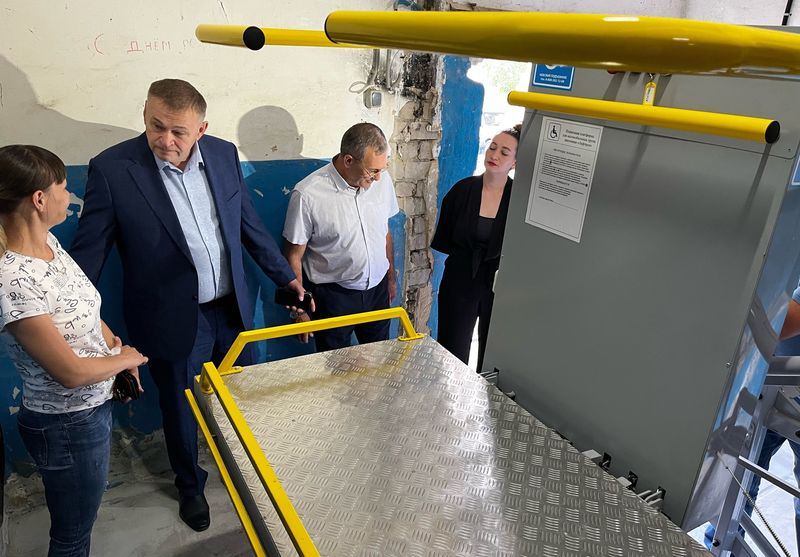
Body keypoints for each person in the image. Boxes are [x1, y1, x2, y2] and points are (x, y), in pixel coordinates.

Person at [69, 79, 305, 532]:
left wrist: (286, 277)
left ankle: (249, 472)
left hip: (231, 308)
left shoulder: (222, 154)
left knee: (240, 396)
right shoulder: (114, 169)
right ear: (145, 114)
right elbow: (88, 255)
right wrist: (76, 318)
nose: (165, 140)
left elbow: (248, 226)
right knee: (180, 407)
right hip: (170, 316)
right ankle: (190, 486)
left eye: (178, 131)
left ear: (201, 129)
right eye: (156, 125)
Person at [0, 145, 148, 556]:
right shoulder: (12, 279)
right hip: (66, 423)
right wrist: (129, 358)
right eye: (63, 187)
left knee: (82, 519)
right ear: (39, 199)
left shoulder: (49, 244)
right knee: (72, 535)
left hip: (90, 408)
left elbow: (86, 308)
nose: (70, 195)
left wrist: (116, 351)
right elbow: (70, 373)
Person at [283, 123, 399, 351]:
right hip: (333, 298)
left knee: (380, 360)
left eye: (381, 169)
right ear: (348, 161)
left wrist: (390, 278)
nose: (378, 178)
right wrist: (300, 308)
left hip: (377, 293)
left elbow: (383, 231)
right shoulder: (308, 194)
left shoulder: (382, 181)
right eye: (372, 171)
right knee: (334, 366)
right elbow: (293, 255)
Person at [704, 284, 800, 550]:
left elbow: (782, 324)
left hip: (787, 389)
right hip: (770, 383)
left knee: (739, 482)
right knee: (737, 483)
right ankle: (720, 549)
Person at [431, 124, 520, 371]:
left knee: (494, 354)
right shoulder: (462, 191)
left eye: (504, 152)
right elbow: (445, 239)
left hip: (500, 284)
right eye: (492, 147)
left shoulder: (519, 198)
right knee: (451, 351)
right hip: (459, 280)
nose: (494, 155)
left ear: (515, 162)